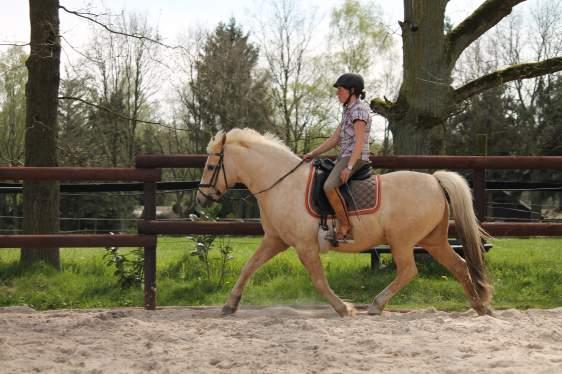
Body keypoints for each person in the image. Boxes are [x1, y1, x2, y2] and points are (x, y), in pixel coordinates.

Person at [303, 73, 372, 243]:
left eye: (340, 90)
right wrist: (313, 154)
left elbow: (360, 141)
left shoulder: (359, 110)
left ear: (352, 90)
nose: (337, 93)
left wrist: (349, 167)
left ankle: (346, 227)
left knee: (329, 186)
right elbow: (334, 139)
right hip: (345, 156)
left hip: (355, 157)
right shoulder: (348, 111)